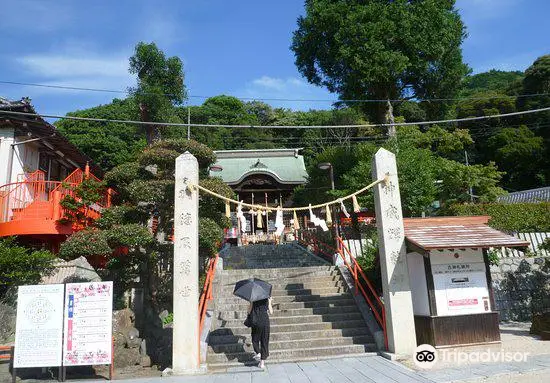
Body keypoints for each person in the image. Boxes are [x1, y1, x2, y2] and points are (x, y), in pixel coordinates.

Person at [248, 296, 273, 368]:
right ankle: (262, 363)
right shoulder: (266, 299)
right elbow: (271, 312)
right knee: (264, 341)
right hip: (265, 321)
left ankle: (258, 352)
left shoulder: (253, 299)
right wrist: (270, 302)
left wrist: (251, 303)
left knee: (255, 339)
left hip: (256, 321)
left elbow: (249, 311)